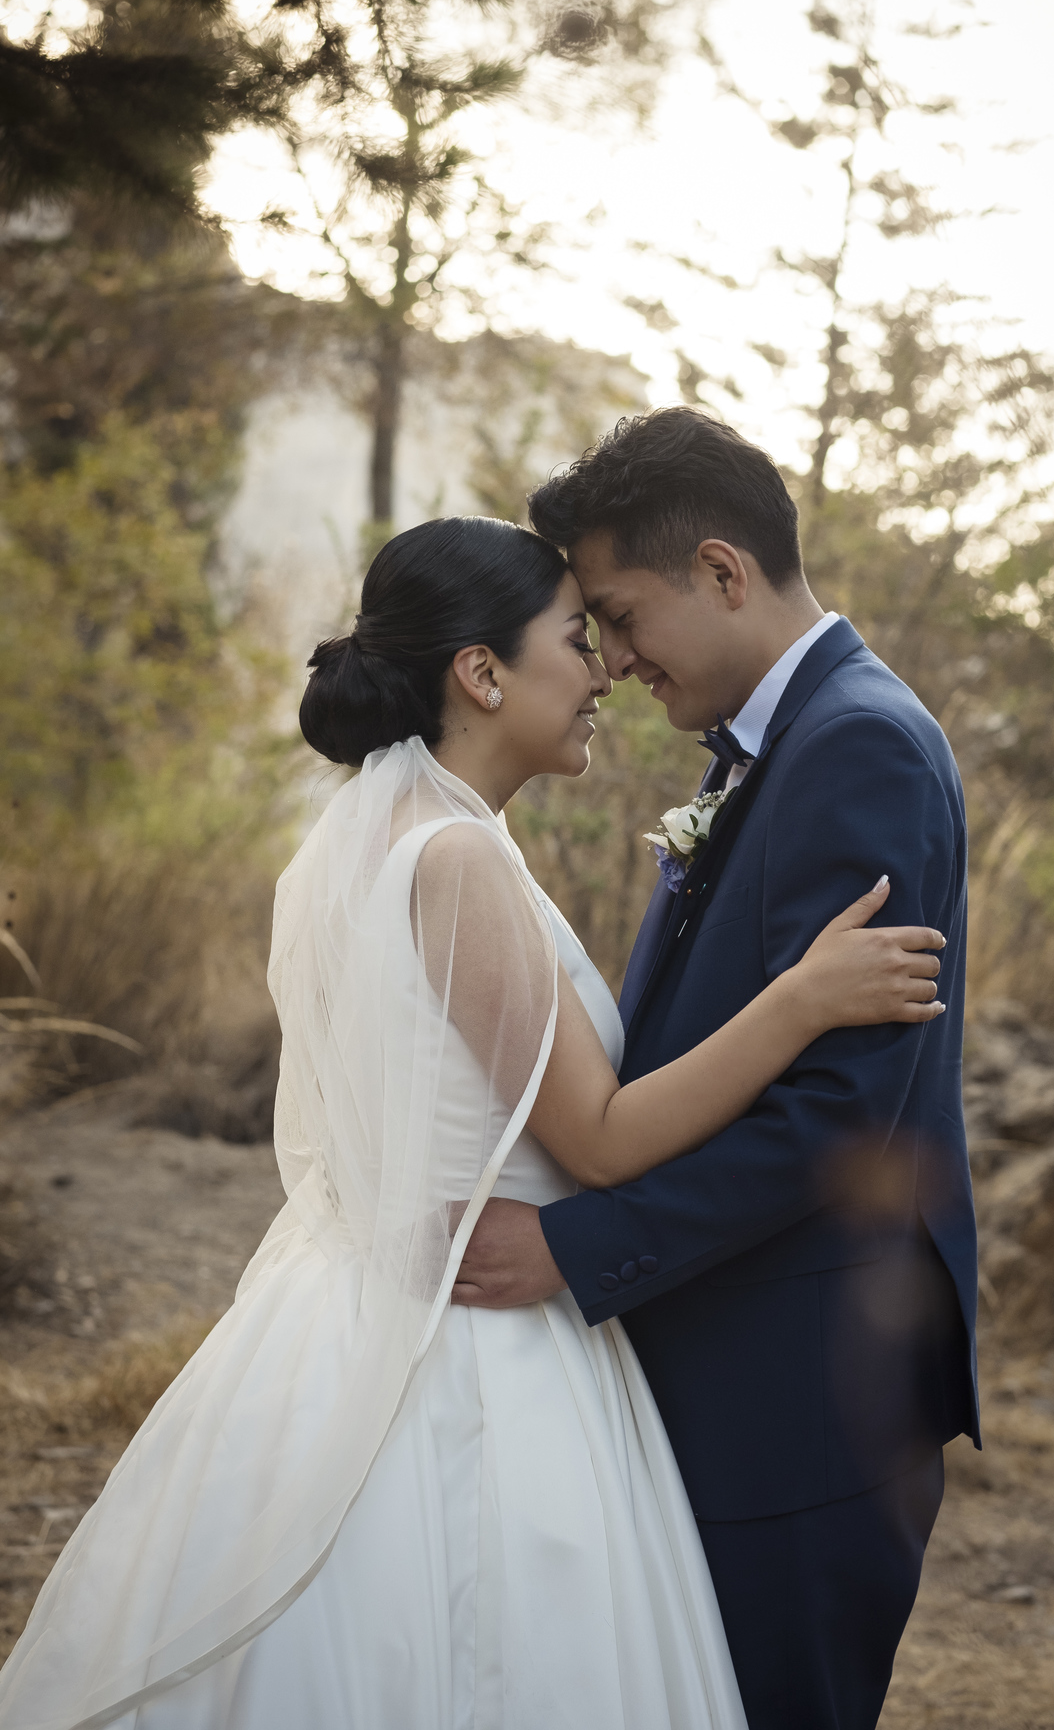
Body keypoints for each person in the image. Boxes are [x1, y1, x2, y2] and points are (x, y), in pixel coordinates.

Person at [0, 513, 946, 1730]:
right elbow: (599, 1137)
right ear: (483, 673)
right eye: (576, 639)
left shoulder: (386, 839)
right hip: (480, 1350)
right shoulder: (457, 860)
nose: (603, 671)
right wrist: (801, 1000)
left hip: (367, 1305)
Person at [454, 409, 981, 1730]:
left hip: (805, 1392)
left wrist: (577, 1246)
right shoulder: (791, 740)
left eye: (622, 617)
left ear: (723, 572)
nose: (616, 659)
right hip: (740, 1361)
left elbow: (839, 1118)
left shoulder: (857, 745)